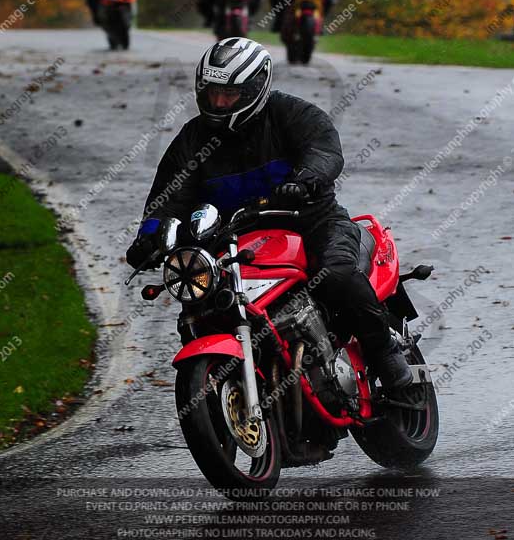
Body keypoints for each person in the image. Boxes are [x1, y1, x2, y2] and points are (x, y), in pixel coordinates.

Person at [126, 37, 412, 392]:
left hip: (311, 220)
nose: (218, 102)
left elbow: (324, 149)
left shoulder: (291, 114)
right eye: (212, 92)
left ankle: (384, 353)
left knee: (335, 274)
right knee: (199, 304)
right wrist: (149, 236)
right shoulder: (192, 139)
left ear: (254, 89)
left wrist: (306, 179)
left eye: (228, 95)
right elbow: (169, 197)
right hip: (231, 239)